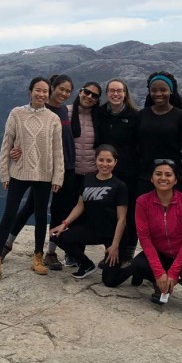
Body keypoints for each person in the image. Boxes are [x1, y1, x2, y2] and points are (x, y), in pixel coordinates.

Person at [0, 77, 64, 284]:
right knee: (9, 214)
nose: (41, 94)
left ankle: (38, 256)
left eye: (45, 91)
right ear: (30, 91)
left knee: (40, 216)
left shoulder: (53, 118)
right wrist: (4, 173)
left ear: (49, 94)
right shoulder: (16, 114)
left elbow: (58, 150)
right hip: (19, 172)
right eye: (38, 90)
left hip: (44, 173)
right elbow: (7, 144)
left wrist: (58, 176)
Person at [3, 74, 77, 270]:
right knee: (31, 208)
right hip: (43, 170)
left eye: (68, 91)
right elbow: (22, 138)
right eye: (61, 89)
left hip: (66, 166)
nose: (64, 93)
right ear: (51, 88)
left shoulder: (63, 110)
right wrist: (13, 151)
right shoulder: (42, 111)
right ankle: (7, 244)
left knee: (57, 209)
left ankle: (50, 251)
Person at [118, 159, 182, 312]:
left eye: (168, 175)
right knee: (138, 265)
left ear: (175, 180)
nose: (163, 178)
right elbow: (144, 238)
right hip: (161, 252)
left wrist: (173, 273)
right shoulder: (142, 202)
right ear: (151, 178)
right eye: (158, 174)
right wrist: (159, 273)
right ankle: (159, 284)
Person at [48, 145, 128, 283]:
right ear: (95, 160)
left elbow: (122, 219)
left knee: (110, 281)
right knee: (57, 236)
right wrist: (64, 224)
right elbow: (80, 206)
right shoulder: (88, 180)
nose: (104, 164)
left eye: (109, 161)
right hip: (93, 230)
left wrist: (114, 246)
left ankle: (136, 269)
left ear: (115, 162)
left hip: (112, 234)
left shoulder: (119, 186)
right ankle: (86, 264)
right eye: (101, 160)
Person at [94, 78, 141, 262]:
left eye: (119, 91)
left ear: (125, 93)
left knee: (128, 213)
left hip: (129, 172)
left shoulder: (135, 116)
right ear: (107, 93)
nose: (116, 94)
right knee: (108, 212)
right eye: (112, 90)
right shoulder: (99, 113)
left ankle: (128, 252)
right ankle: (112, 250)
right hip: (106, 171)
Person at [65, 81, 102, 265]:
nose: (89, 97)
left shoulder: (99, 116)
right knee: (67, 210)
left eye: (94, 95)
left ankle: (79, 253)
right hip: (70, 171)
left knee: (84, 215)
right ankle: (67, 252)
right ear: (80, 92)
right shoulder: (67, 112)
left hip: (90, 173)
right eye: (87, 92)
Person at [135, 71, 182, 196]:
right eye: (154, 90)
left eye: (163, 90)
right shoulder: (141, 115)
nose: (158, 93)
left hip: (172, 175)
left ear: (171, 91)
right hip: (145, 176)